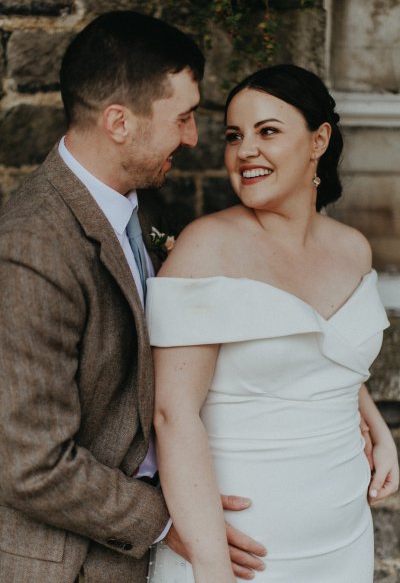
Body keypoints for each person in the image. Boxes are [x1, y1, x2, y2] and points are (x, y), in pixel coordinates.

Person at [0, 11, 267, 583]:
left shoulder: (138, 205)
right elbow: (30, 464)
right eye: (184, 118)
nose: (194, 138)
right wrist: (174, 523)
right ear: (119, 122)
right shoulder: (29, 250)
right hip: (70, 563)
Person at [146, 64, 400, 582]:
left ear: (318, 141)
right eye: (235, 136)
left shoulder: (352, 248)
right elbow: (173, 414)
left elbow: (329, 354)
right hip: (245, 551)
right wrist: (210, 560)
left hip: (343, 539)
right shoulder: (206, 248)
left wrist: (378, 427)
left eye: (268, 132)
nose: (245, 151)